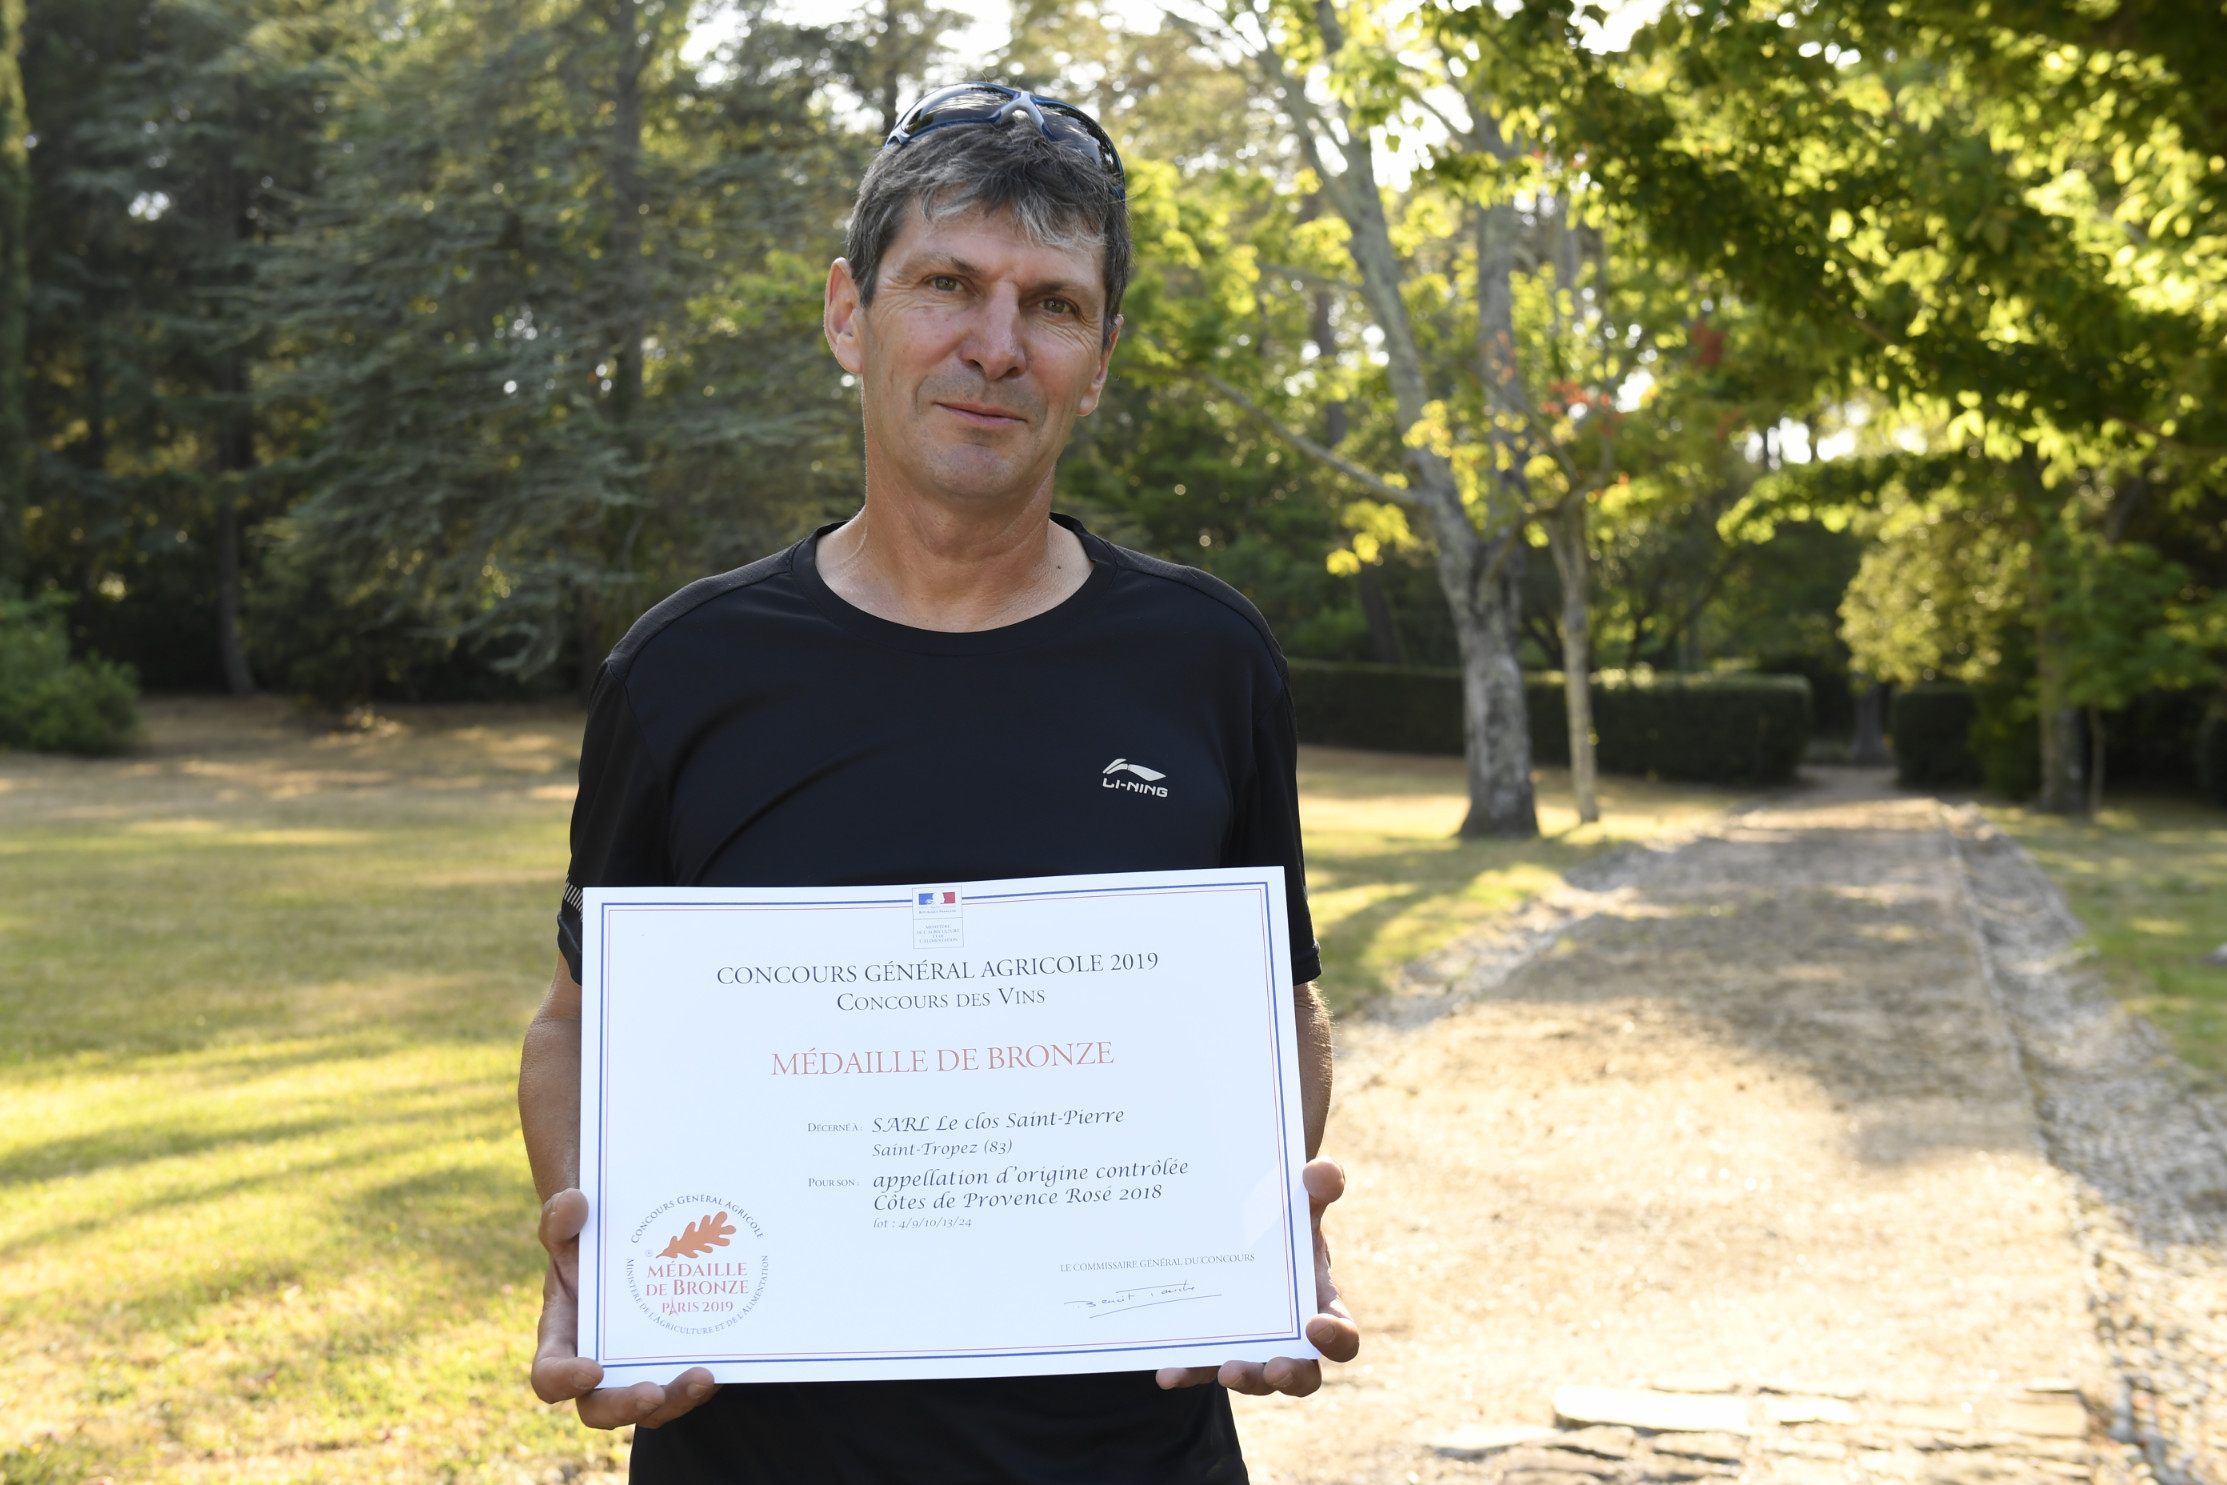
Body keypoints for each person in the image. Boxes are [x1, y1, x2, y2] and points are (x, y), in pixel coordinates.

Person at [516, 82, 1360, 1483]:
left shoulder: (1207, 658)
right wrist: (590, 1245)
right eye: (947, 284)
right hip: (756, 1457)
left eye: (1054, 304)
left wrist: (1244, 1233)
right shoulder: (682, 671)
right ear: (849, 314)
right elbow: (572, 1027)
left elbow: (1279, 1003)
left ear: (1100, 356)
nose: (996, 345)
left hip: (1127, 1455)